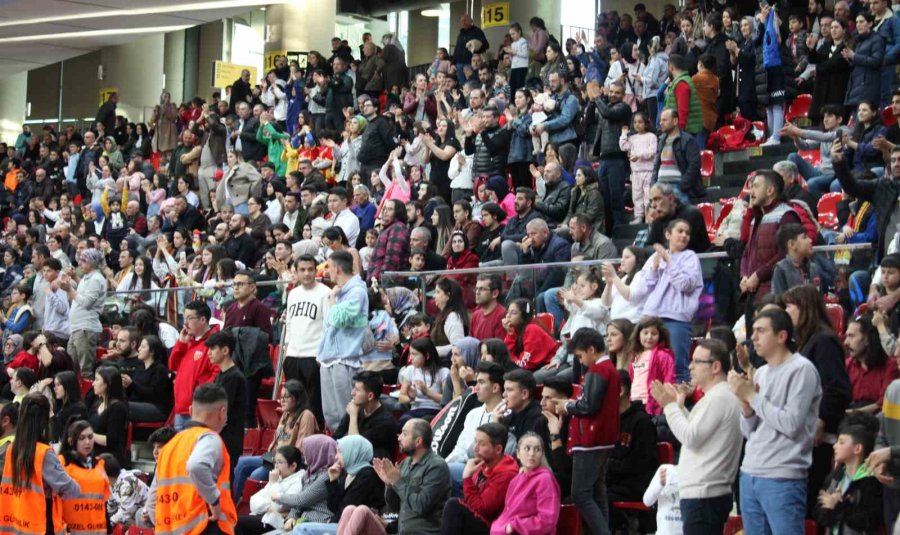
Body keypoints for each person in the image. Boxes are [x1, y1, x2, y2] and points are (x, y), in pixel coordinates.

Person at [729, 308, 823, 535]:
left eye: (761, 331)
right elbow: (748, 431)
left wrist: (752, 396)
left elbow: (791, 424)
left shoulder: (802, 369)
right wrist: (746, 407)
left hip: (783, 476)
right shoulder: (760, 373)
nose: (753, 337)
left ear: (781, 336)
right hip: (750, 472)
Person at [650, 339, 742, 535]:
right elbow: (695, 430)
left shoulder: (719, 398)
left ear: (715, 366)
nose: (690, 367)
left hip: (705, 494)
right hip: (704, 493)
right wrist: (677, 406)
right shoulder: (715, 396)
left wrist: (669, 406)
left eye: (697, 361)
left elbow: (690, 436)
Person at [782, 285, 853, 513]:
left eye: (789, 306)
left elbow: (836, 389)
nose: (786, 311)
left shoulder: (824, 341)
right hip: (806, 431)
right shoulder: (806, 340)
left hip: (820, 437)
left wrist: (821, 420)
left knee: (810, 499)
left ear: (805, 307)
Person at [147, 384, 237, 534]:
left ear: (190, 411)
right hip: (203, 526)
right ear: (222, 413)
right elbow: (196, 466)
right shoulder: (209, 438)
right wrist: (214, 502)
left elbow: (153, 497)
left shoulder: (170, 445)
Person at [0, 393, 79, 535]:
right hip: (40, 525)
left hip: (16, 522)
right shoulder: (44, 453)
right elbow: (71, 489)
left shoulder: (12, 448)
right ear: (44, 420)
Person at [293, 435, 386, 535]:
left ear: (352, 453)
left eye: (340, 452)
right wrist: (333, 481)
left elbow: (345, 508)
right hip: (340, 524)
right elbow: (333, 507)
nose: (336, 456)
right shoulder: (348, 473)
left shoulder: (367, 475)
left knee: (301, 529)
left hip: (358, 528)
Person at [374, 418, 451, 535]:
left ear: (418, 441)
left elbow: (421, 506)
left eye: (404, 434)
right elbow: (395, 507)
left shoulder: (437, 467)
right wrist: (390, 484)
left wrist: (397, 481)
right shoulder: (404, 463)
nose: (399, 438)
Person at [441, 422, 519, 535]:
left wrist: (467, 478)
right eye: (475, 441)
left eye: (482, 444)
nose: (475, 448)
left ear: (498, 449)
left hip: (493, 528)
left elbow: (480, 510)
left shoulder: (507, 475)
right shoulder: (483, 463)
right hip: (479, 518)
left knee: (453, 506)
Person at [607, 369, 658, 531]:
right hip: (611, 482)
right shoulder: (606, 421)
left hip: (634, 485)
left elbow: (640, 464)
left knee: (596, 500)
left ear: (620, 391)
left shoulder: (642, 422)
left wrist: (608, 466)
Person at [283, 255, 330, 425]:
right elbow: (289, 325)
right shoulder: (293, 294)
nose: (307, 273)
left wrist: (322, 356)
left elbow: (328, 327)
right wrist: (286, 354)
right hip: (293, 355)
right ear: (296, 271)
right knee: (293, 405)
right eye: (302, 270)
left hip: (313, 355)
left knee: (313, 405)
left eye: (310, 269)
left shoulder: (325, 292)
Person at [814, 420, 884, 533]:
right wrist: (828, 510)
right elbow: (819, 511)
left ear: (857, 449)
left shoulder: (871, 480)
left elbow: (868, 520)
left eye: (841, 442)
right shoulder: (835, 477)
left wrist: (838, 506)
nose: (835, 446)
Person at [489, 432, 561, 535]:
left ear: (541, 454)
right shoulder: (515, 481)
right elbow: (507, 513)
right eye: (527, 448)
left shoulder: (545, 479)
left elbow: (547, 521)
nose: (532, 454)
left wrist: (514, 526)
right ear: (518, 453)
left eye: (537, 450)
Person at [169, 300, 220, 430]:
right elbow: (172, 365)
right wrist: (181, 343)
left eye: (190, 318)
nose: (185, 323)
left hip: (198, 409)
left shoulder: (213, 343)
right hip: (180, 408)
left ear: (203, 319)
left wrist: (199, 393)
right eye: (184, 318)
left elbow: (217, 373)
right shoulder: (188, 340)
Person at [236, 445, 305, 534]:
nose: (276, 466)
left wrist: (273, 484)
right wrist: (269, 507)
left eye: (279, 462)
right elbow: (253, 501)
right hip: (264, 516)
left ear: (293, 466)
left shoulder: (298, 481)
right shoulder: (278, 477)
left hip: (275, 522)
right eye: (275, 462)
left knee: (236, 522)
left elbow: (278, 506)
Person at [58, 419, 111, 535]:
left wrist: (109, 529)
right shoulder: (62, 462)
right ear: (71, 441)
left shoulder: (99, 463)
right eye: (82, 438)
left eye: (90, 437)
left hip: (98, 530)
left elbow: (103, 502)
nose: (87, 442)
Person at [333, 370, 398, 460]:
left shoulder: (385, 422)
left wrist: (353, 417)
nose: (352, 393)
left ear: (370, 396)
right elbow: (336, 437)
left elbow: (356, 448)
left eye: (357, 390)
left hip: (371, 468)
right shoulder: (357, 408)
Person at [206, 329, 246, 474]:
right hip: (218, 439)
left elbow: (223, 411)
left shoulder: (235, 377)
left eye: (212, 348)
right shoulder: (220, 376)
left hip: (228, 441)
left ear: (225, 350)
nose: (209, 353)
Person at [61, 248, 106, 377]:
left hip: (86, 328)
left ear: (92, 263)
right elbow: (82, 294)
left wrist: (69, 289)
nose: (79, 263)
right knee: (71, 368)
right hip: (77, 328)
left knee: (85, 370)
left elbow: (86, 302)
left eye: (83, 260)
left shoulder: (96, 279)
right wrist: (74, 278)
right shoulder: (88, 278)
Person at [845, 315, 897, 413]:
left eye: (851, 336)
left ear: (867, 339)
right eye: (846, 336)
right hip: (849, 417)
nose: (846, 342)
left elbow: (882, 405)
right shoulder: (848, 364)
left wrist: (849, 414)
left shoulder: (890, 366)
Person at [653, 108, 704, 203]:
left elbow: (694, 165)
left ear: (675, 121)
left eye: (664, 120)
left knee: (680, 217)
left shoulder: (688, 140)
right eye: (660, 120)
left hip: (678, 187)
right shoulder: (661, 140)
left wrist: (682, 185)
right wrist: (653, 184)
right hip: (660, 187)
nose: (661, 123)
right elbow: (656, 165)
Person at [124, 335, 173, 423]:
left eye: (142, 347)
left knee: (121, 406)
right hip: (139, 403)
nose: (139, 349)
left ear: (151, 352)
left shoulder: (160, 370)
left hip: (156, 407)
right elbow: (134, 391)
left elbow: (153, 394)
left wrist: (132, 385)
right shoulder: (140, 367)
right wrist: (126, 385)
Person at [89, 365, 130, 468]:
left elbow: (111, 441)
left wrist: (88, 435)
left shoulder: (118, 408)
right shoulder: (97, 403)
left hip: (110, 460)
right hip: (93, 454)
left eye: (97, 380)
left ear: (108, 384)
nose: (93, 383)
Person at [502, 299, 558, 371]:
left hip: (549, 366)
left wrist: (509, 363)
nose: (508, 316)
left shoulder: (532, 329)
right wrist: (510, 334)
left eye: (513, 313)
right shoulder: (514, 330)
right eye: (507, 312)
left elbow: (526, 364)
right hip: (532, 367)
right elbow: (507, 357)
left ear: (523, 316)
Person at [772, 223, 819, 295]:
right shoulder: (781, 269)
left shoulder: (813, 268)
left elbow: (819, 297)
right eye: (804, 237)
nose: (810, 240)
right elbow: (779, 301)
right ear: (792, 244)